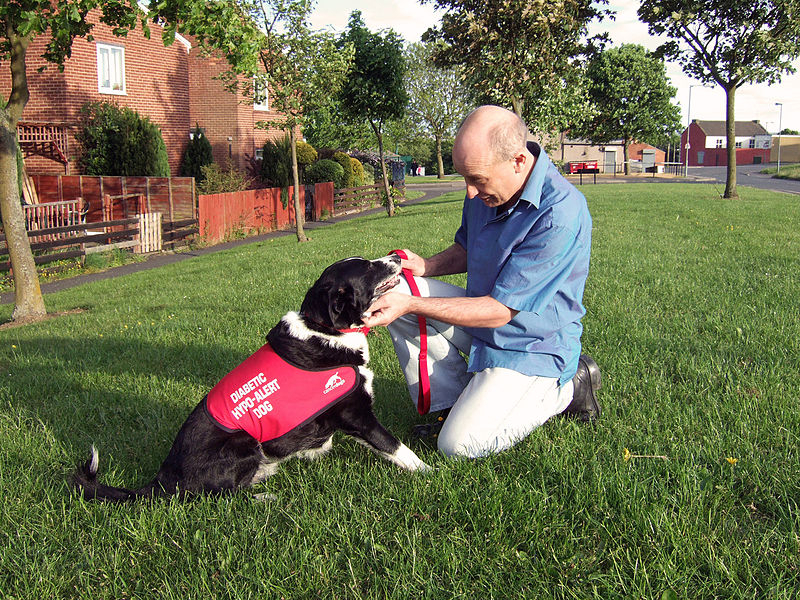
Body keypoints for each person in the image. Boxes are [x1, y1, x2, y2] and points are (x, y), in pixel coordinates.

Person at [361, 105, 601, 458]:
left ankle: (567, 389)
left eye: (477, 179)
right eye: (465, 179)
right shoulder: (489, 186)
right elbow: (467, 247)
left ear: (518, 161)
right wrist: (425, 266)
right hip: (484, 326)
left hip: (532, 347)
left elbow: (500, 311)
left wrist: (411, 304)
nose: (470, 192)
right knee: (399, 289)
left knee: (458, 446)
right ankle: (451, 403)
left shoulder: (560, 214)